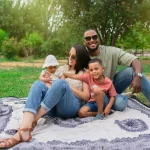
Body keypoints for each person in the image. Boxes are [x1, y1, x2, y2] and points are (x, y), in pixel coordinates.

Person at [0, 44, 91, 148]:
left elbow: (86, 97)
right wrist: (45, 80)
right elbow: (48, 82)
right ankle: (25, 129)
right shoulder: (61, 68)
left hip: (70, 107)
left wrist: (67, 86)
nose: (69, 58)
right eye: (69, 55)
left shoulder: (84, 72)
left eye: (73, 56)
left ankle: (30, 122)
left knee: (61, 83)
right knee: (37, 84)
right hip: (51, 107)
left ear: (81, 57)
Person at [82, 29, 150, 109]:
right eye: (88, 38)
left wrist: (138, 76)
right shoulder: (81, 54)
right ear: (84, 41)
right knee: (120, 104)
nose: (92, 40)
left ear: (98, 38)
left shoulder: (111, 51)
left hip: (111, 87)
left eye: (94, 37)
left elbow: (135, 60)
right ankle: (113, 100)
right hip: (93, 93)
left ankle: (113, 99)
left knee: (132, 71)